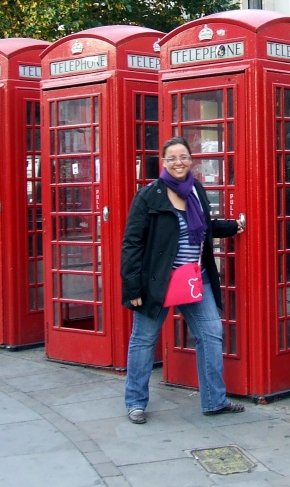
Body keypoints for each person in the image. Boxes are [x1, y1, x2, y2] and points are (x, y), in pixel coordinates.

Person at [121, 137, 245, 424]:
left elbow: (202, 227)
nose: (179, 162)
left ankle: (215, 400)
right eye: (172, 158)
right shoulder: (149, 196)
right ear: (163, 162)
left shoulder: (196, 191)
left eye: (184, 157)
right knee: (143, 340)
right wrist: (132, 287)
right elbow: (132, 243)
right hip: (158, 281)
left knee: (212, 333)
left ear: (191, 160)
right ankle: (135, 402)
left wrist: (232, 226)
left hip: (193, 277)